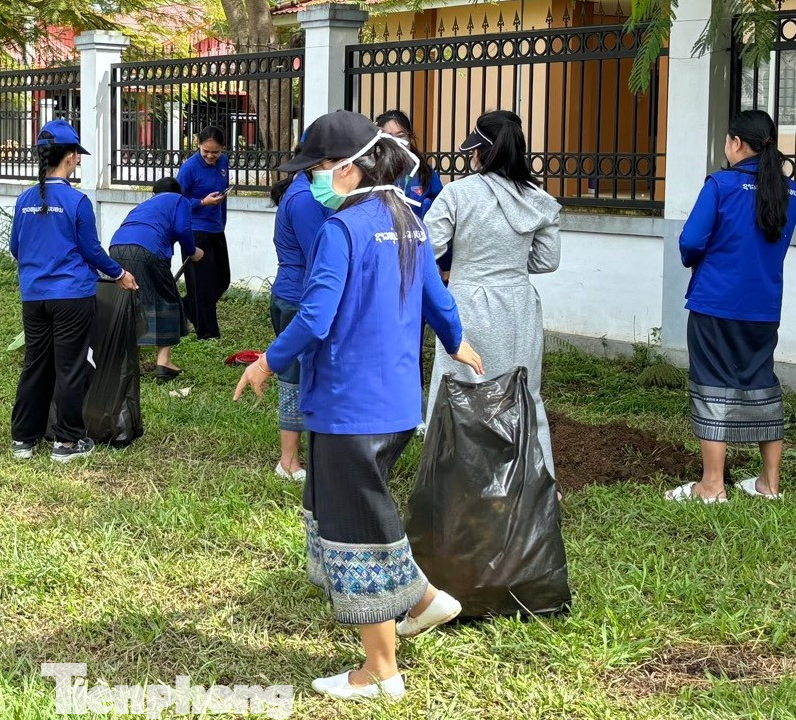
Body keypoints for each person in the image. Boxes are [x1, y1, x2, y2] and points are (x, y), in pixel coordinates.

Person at [234, 110, 483, 703]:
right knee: (352, 509)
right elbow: (435, 297)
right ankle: (424, 601)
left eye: (317, 168)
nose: (312, 180)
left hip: (349, 406)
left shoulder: (342, 231)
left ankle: (379, 672)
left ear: (347, 169)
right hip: (394, 406)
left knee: (357, 529)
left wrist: (266, 361)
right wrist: (457, 341)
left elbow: (315, 317)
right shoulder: (409, 221)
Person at [424, 110, 561, 477]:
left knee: (458, 393)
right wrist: (509, 266)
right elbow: (548, 261)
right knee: (524, 393)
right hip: (518, 306)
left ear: (481, 152)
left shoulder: (457, 194)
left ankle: (457, 483)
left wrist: (464, 268)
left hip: (467, 303)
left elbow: (425, 250)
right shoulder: (538, 199)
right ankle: (537, 481)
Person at [669, 110, 796, 503]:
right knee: (763, 384)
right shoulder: (789, 191)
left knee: (711, 386)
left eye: (727, 141)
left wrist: (702, 260)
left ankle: (711, 485)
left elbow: (690, 241)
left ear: (737, 143)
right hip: (763, 307)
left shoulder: (721, 185)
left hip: (716, 303)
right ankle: (769, 485)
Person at [9, 119, 138, 463]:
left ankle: (24, 439)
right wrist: (120, 274)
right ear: (68, 157)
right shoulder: (77, 202)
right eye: (76, 155)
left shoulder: (23, 200)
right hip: (72, 297)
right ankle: (66, 443)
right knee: (70, 366)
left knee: (35, 364)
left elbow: (15, 248)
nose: (78, 160)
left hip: (34, 296)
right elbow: (92, 251)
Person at [268, 160, 331, 481]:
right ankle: (288, 462)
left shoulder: (302, 192)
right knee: (294, 379)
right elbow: (319, 253)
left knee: (305, 376)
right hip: (298, 298)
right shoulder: (305, 199)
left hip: (295, 293)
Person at [109, 177, 204, 380]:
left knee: (131, 302)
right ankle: (164, 362)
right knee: (167, 300)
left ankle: (130, 363)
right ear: (178, 192)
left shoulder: (146, 205)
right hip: (147, 250)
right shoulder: (180, 201)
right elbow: (182, 229)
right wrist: (192, 250)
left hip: (116, 247)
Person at [375, 109, 451, 278]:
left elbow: (443, 216)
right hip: (383, 254)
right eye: (389, 136)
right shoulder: (370, 173)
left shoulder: (425, 173)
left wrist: (444, 263)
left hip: (420, 255)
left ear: (410, 137)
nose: (396, 141)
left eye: (401, 135)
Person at [178, 127, 230, 340]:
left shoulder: (224, 163)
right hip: (195, 230)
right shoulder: (189, 168)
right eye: (206, 151)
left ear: (222, 149)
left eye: (215, 152)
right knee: (202, 284)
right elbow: (177, 202)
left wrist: (222, 222)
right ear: (198, 146)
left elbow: (223, 196)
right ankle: (207, 334)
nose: (210, 156)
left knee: (222, 280)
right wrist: (202, 202)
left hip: (216, 228)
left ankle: (185, 308)